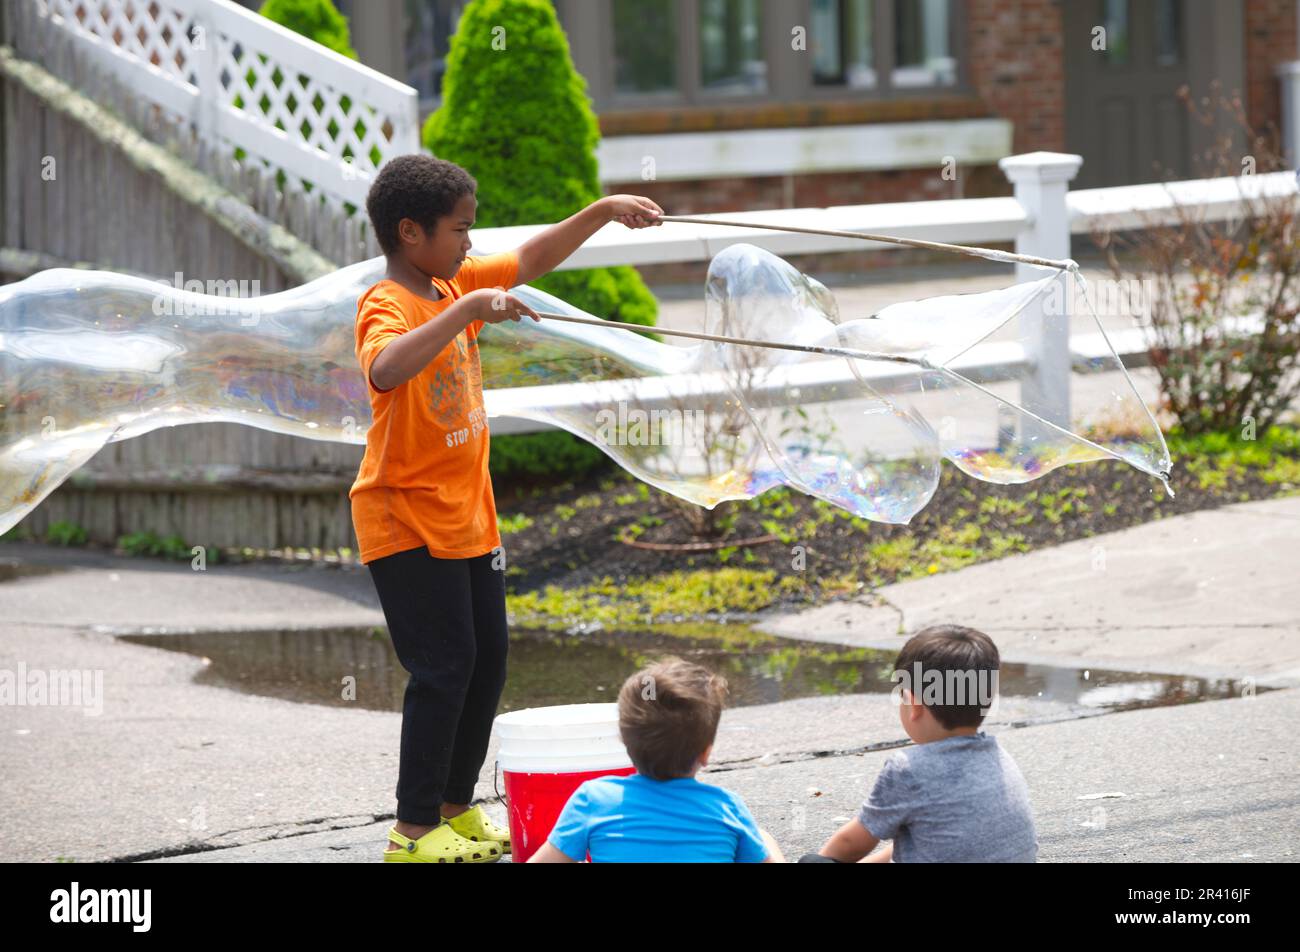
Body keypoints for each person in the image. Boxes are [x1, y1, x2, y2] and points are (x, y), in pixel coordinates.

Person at [351, 153, 664, 863]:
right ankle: (411, 830)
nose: (471, 241)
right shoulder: (389, 302)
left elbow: (526, 258)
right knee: (442, 668)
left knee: (486, 661)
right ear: (410, 232)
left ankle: (454, 810)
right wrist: (463, 308)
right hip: (403, 520)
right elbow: (385, 368)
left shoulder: (450, 278)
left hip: (468, 516)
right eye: (460, 229)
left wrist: (602, 210)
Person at [800, 624, 1038, 863]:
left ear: (914, 704)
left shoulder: (908, 770)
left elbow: (850, 844)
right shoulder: (999, 757)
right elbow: (926, 844)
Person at [527, 657, 786, 863]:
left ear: (624, 742)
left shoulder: (593, 800)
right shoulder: (727, 808)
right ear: (706, 753)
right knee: (762, 839)